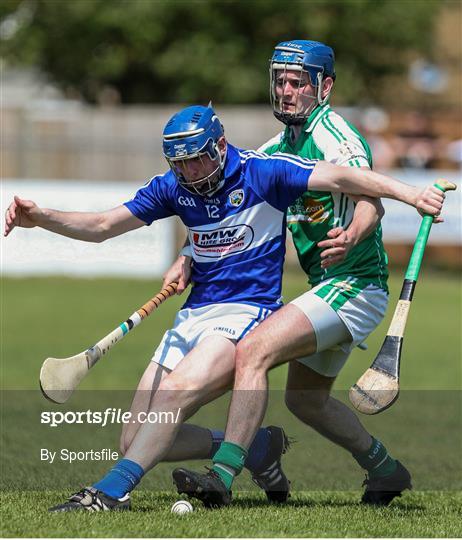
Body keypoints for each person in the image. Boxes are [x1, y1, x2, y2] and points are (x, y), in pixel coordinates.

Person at [4, 104, 443, 512]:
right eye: (180, 163)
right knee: (133, 437)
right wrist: (41, 217)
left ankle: (108, 493)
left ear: (218, 145)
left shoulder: (265, 172)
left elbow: (348, 178)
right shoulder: (173, 188)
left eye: (197, 159)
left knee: (173, 397)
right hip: (193, 316)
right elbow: (102, 225)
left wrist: (411, 194)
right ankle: (253, 448)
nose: (190, 171)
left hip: (245, 313)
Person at [171, 41, 447, 508]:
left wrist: (353, 235)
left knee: (253, 349)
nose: (286, 90)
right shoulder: (274, 149)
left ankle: (223, 474)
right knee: (305, 401)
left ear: (325, 87)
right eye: (279, 80)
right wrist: (187, 253)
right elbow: (230, 210)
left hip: (356, 285)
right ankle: (385, 470)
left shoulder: (337, 138)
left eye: (297, 82)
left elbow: (369, 202)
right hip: (325, 289)